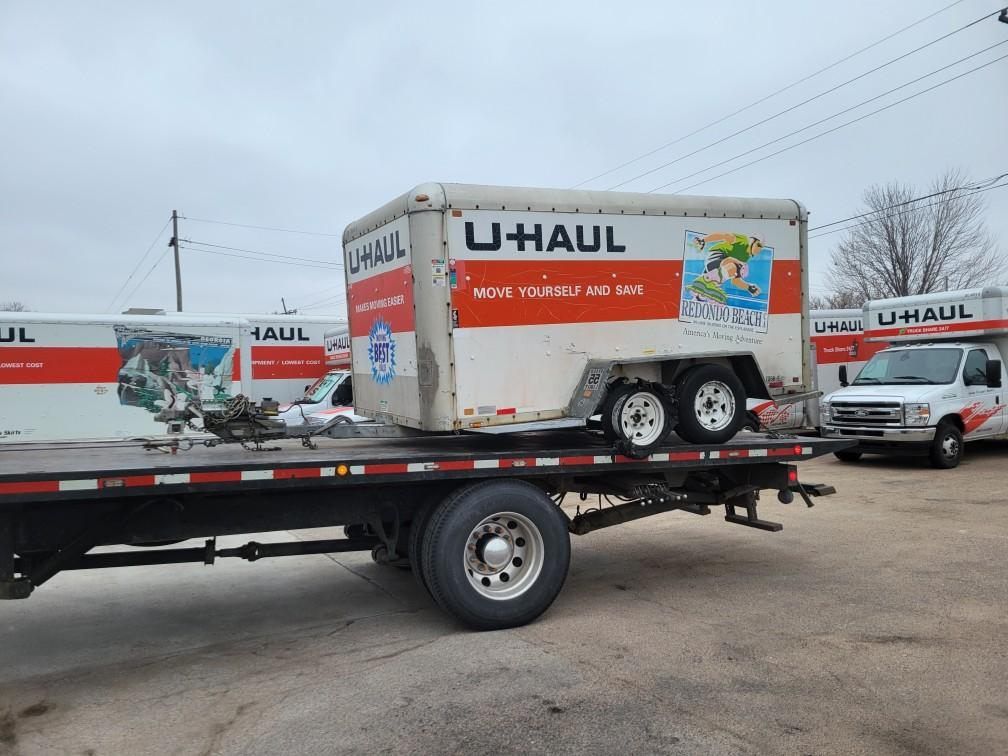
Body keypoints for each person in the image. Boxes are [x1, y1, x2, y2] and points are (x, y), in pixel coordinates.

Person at [687, 232, 764, 303]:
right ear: (752, 241)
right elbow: (724, 236)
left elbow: (735, 280)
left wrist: (749, 287)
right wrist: (703, 240)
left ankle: (698, 298)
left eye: (761, 248)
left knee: (702, 294)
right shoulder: (743, 240)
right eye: (758, 245)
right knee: (737, 266)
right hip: (716, 255)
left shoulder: (745, 258)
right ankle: (712, 282)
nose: (759, 249)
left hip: (719, 266)